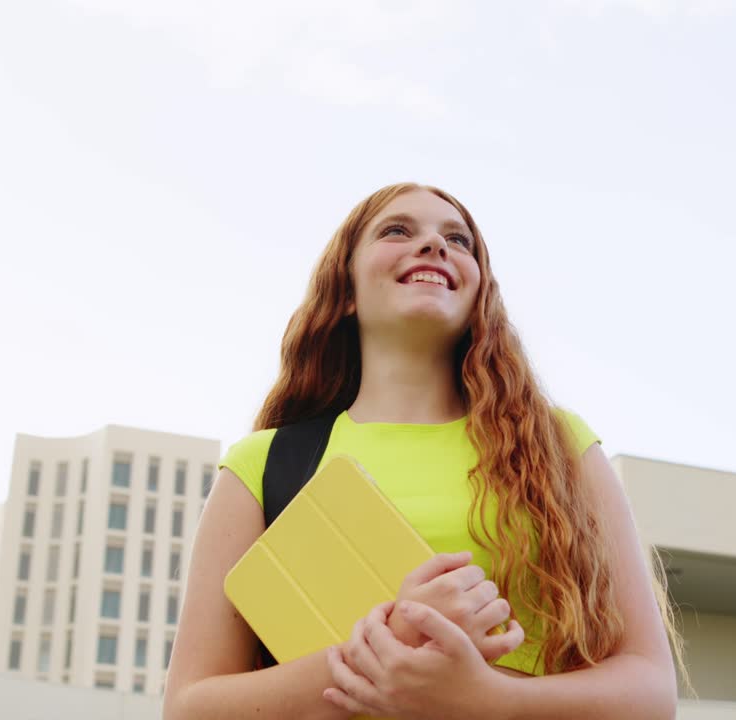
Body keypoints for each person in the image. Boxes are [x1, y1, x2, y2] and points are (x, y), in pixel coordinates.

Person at [163, 183, 684, 720]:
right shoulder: (262, 465)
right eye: (397, 230)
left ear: (480, 291)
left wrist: (485, 698)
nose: (435, 245)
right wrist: (394, 640)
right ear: (345, 289)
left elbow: (649, 691)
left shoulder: (559, 446)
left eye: (458, 240)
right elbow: (188, 707)